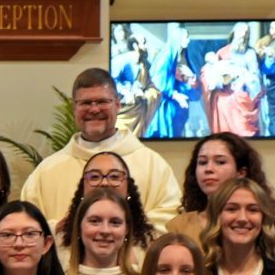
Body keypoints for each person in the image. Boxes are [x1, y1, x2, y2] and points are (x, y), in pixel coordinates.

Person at [18, 69, 184, 226]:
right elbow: (27, 225)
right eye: (85, 103)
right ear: (74, 108)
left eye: (102, 101)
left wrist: (125, 230)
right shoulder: (46, 171)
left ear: (117, 105)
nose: (94, 109)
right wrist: (65, 230)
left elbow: (172, 220)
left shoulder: (152, 166)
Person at [165, 132, 268, 243]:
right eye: (202, 162)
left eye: (220, 162)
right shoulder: (180, 226)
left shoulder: (255, 222)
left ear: (241, 172)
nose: (208, 169)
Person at [201, 178, 275, 275]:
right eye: (232, 209)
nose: (242, 218)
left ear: (263, 218)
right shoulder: (199, 274)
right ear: (217, 216)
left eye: (252, 210)